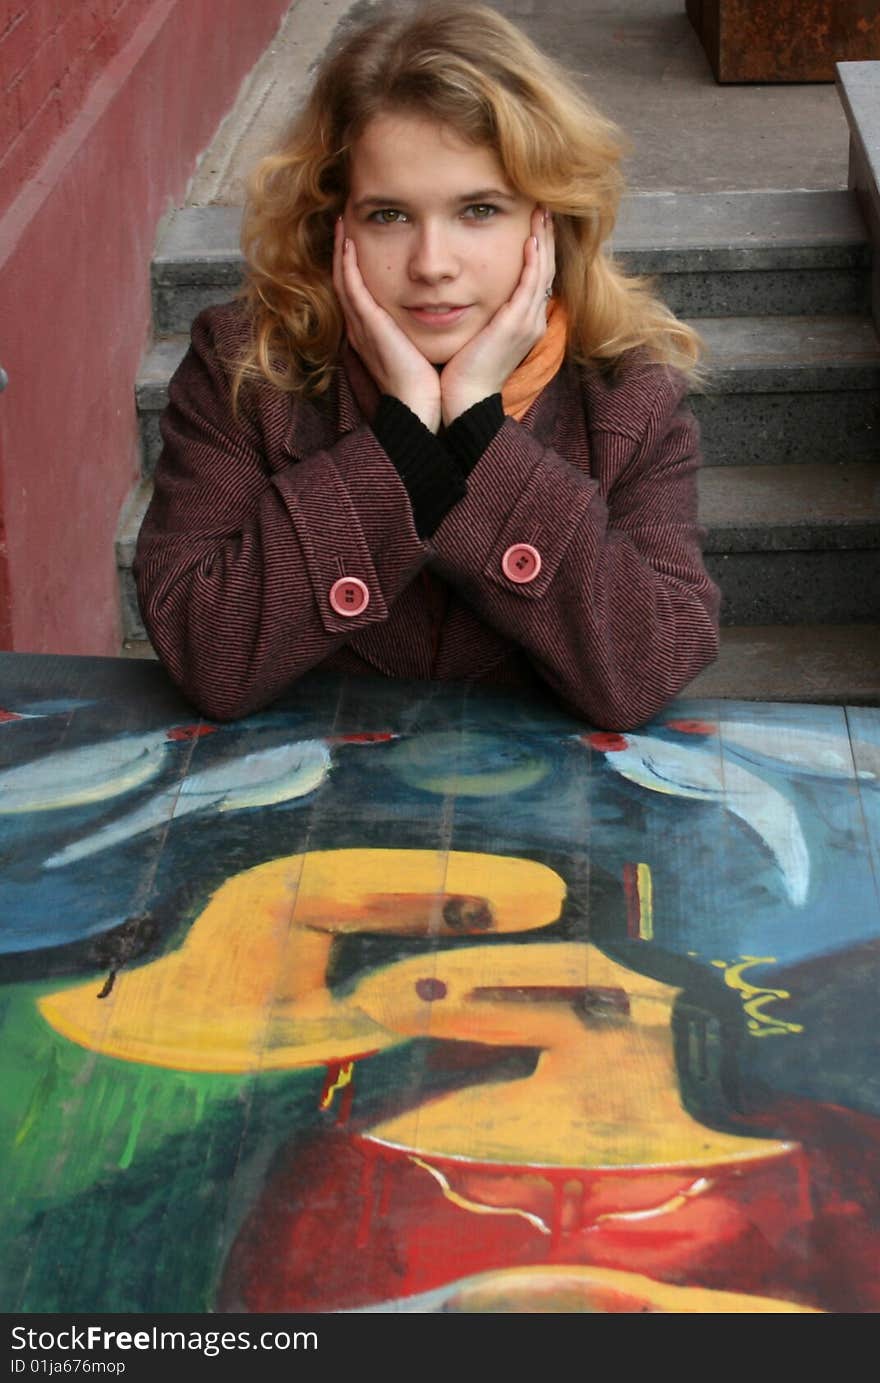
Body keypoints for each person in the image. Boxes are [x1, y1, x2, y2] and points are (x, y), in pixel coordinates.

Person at [133, 0, 720, 728]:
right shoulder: (249, 372)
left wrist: (478, 428)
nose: (432, 264)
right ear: (333, 223)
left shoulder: (627, 393)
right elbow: (206, 651)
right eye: (390, 215)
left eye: (479, 210)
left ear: (548, 219)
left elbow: (651, 662)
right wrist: (400, 439)